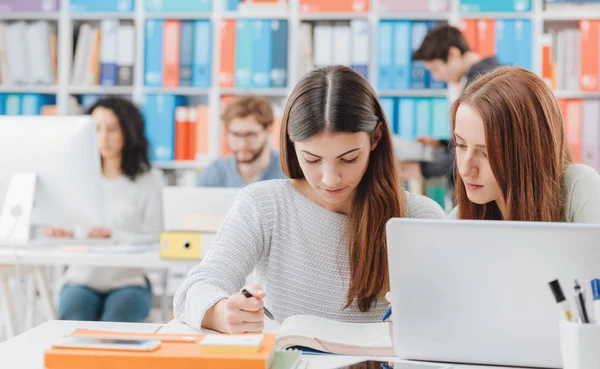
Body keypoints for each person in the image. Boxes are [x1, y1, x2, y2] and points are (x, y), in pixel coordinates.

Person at [174, 65, 446, 334]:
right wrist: (222, 313)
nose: (330, 179)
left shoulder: (419, 217)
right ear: (292, 145)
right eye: (312, 159)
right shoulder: (264, 205)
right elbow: (195, 289)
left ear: (375, 138)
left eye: (349, 158)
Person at [43, 97, 163, 322]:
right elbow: (71, 230)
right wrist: (66, 235)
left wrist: (114, 236)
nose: (103, 138)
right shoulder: (76, 176)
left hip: (129, 281)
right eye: (96, 129)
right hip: (81, 279)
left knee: (117, 321)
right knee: (73, 314)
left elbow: (156, 238)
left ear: (128, 132)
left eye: (112, 129)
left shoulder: (149, 180)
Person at [450, 66, 600, 222]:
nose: (466, 170)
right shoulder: (462, 216)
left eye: (486, 154)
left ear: (529, 152)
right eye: (461, 145)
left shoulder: (579, 187)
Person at [400, 24, 502, 185]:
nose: (437, 77)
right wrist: (442, 143)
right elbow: (478, 140)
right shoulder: (488, 79)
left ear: (452, 54)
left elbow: (473, 153)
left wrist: (423, 170)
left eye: (436, 69)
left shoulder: (481, 89)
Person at [196, 95, 286, 187]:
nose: (242, 144)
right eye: (235, 134)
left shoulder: (287, 172)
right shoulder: (213, 174)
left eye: (250, 134)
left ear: (268, 130)